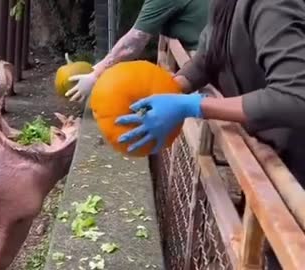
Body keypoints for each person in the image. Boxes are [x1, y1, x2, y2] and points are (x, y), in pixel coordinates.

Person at [116, 0, 305, 268]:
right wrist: (167, 89)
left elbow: (295, 97)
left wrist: (194, 106)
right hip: (278, 156)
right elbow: (208, 55)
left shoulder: (272, 5)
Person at [65, 0, 209, 103]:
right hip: (208, 60)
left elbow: (134, 42)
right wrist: (97, 68)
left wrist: (96, 75)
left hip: (211, 69)